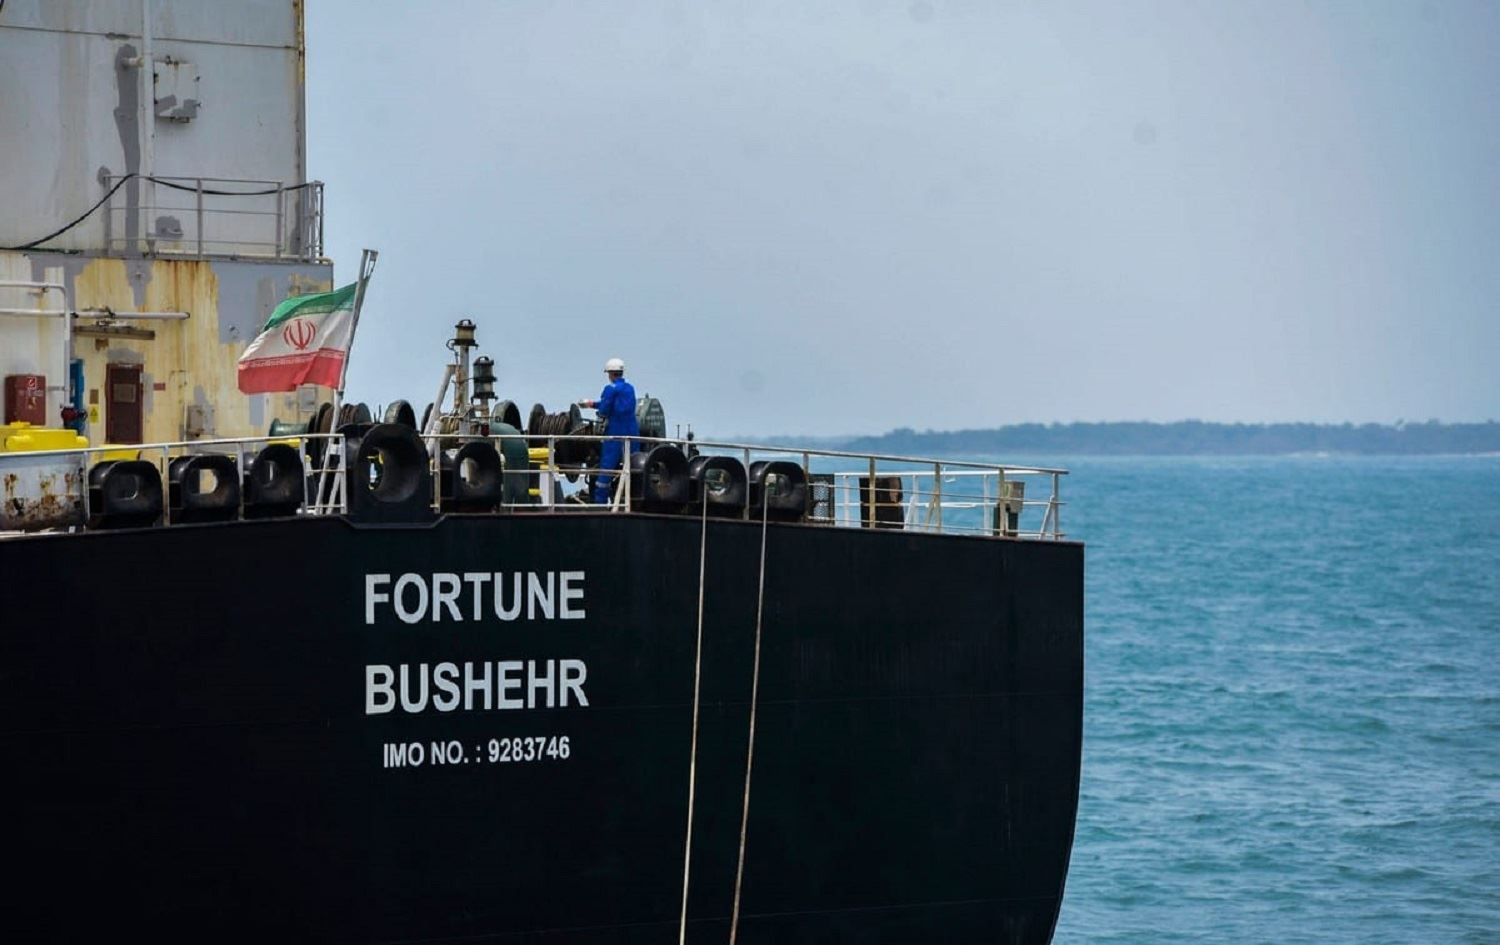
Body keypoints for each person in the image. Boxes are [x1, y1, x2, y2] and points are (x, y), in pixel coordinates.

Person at [581, 357, 639, 503]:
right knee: (633, 467)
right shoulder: (630, 388)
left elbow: (604, 409)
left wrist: (594, 408)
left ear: (610, 374)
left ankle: (600, 504)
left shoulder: (610, 389)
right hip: (632, 433)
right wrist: (592, 404)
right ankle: (631, 501)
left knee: (606, 470)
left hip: (615, 432)